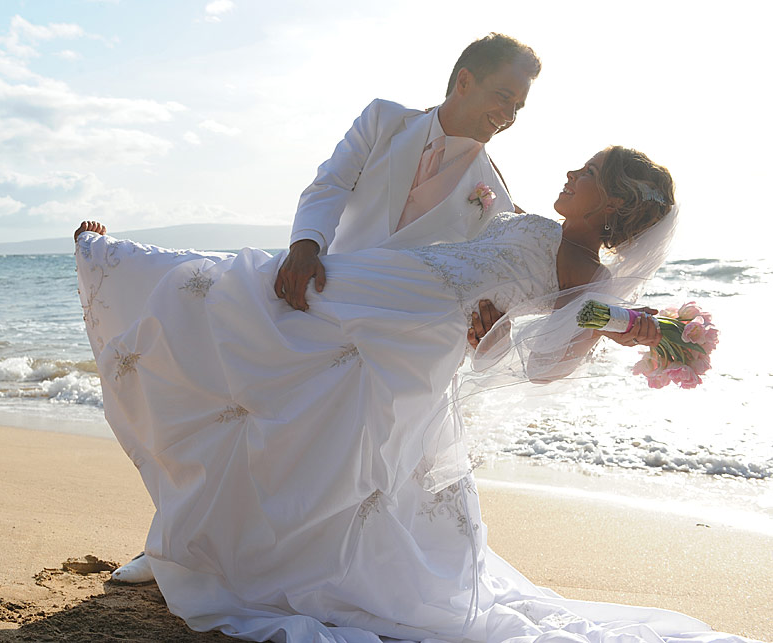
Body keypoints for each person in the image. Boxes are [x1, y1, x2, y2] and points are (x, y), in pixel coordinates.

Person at [73, 147, 753, 642]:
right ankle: (125, 268)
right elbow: (486, 246)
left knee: (274, 353)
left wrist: (514, 336)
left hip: (413, 327)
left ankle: (118, 264)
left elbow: (541, 364)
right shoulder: (542, 229)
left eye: (590, 172)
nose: (572, 171)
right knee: (252, 307)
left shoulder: (587, 279)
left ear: (608, 203)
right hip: (396, 282)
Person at [111, 31, 544, 585]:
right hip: (319, 293)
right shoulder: (385, 119)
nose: (509, 113)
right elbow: (332, 180)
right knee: (247, 415)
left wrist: (486, 323)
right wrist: (305, 245)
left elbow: (482, 281)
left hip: (386, 342)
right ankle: (180, 545)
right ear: (465, 80)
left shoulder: (494, 194)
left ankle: (318, 569)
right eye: (504, 96)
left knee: (342, 464)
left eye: (519, 106)